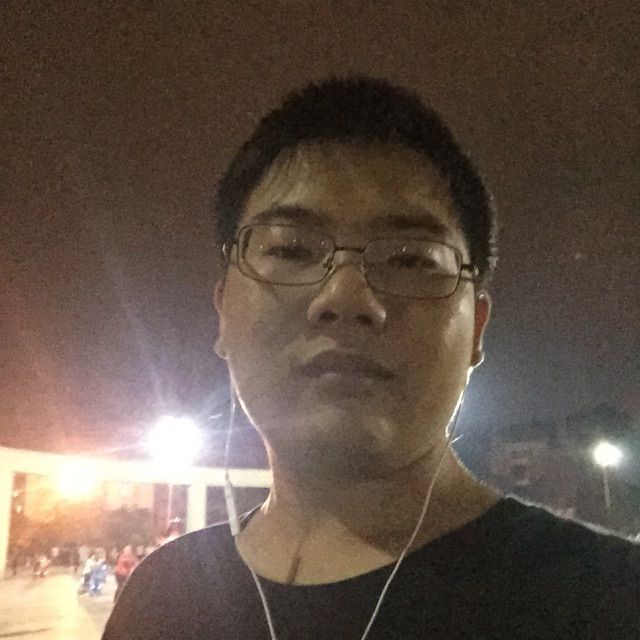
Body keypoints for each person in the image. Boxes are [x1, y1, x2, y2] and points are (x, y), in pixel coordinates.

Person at [103, 76, 639, 639]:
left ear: (477, 329)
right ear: (222, 312)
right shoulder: (161, 598)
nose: (346, 297)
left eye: (409, 260)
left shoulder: (607, 602)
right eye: (291, 249)